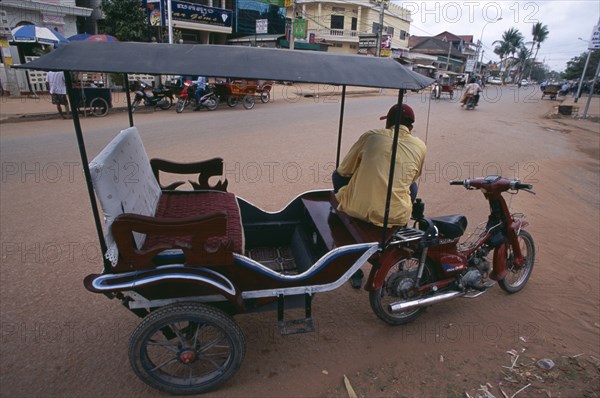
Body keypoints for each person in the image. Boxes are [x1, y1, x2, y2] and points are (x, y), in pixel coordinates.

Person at [333, 104, 426, 288]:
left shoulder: (371, 136)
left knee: (337, 175)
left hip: (358, 209)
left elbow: (344, 170)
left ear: (388, 124)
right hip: (396, 215)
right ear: (411, 127)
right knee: (411, 186)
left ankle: (343, 217)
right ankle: (396, 232)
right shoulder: (421, 146)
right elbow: (413, 178)